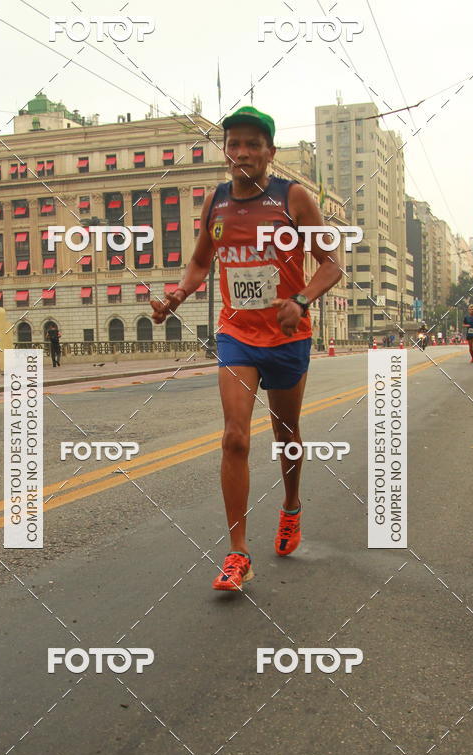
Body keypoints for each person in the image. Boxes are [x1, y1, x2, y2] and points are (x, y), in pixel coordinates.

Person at [150, 106, 341, 590]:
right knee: (235, 436)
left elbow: (330, 263)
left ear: (269, 153)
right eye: (234, 144)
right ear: (226, 152)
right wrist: (176, 295)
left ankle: (292, 506)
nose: (242, 153)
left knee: (286, 433)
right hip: (236, 335)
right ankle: (238, 554)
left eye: (252, 145)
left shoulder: (293, 198)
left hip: (287, 335)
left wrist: (301, 299)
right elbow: (198, 263)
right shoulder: (215, 202)